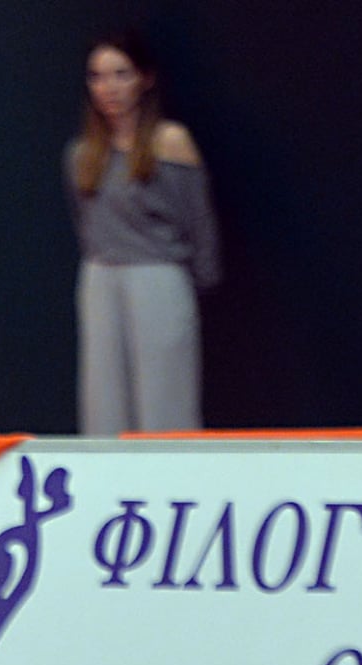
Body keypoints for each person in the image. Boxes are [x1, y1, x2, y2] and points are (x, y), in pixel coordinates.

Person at [66, 29, 221, 437]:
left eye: (121, 74)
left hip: (157, 274)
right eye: (98, 77)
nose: (109, 88)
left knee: (164, 397)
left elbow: (197, 219)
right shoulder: (83, 154)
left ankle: (171, 475)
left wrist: (202, 277)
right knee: (103, 399)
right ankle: (109, 475)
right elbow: (86, 224)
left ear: (144, 79)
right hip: (100, 276)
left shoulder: (169, 142)